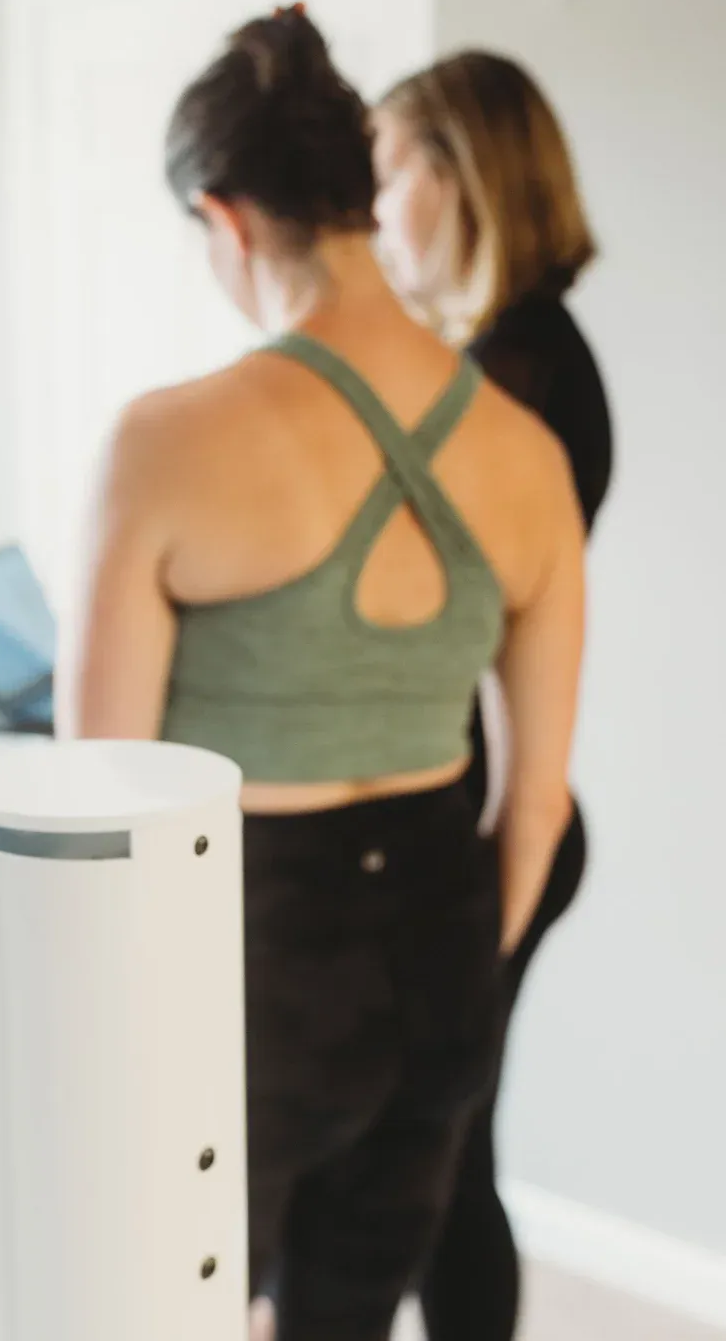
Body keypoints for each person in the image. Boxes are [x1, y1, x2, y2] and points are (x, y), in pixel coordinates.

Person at [68, 12, 585, 1340]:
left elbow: (101, 801)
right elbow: (532, 810)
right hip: (439, 943)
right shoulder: (526, 452)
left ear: (226, 220)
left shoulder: (163, 443)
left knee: (165, 1309)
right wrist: (462, 956)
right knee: (343, 1318)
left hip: (247, 952)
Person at [372, 51, 613, 1341]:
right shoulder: (506, 355)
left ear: (461, 177)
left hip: (494, 827)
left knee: (445, 1160)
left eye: (388, 168)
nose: (369, 207)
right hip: (494, 810)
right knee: (454, 1148)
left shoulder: (514, 382)